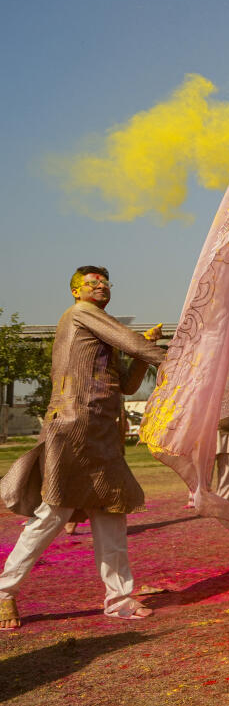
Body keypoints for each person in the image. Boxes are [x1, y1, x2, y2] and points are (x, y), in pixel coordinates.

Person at [0, 266, 166, 628]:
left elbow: (125, 384)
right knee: (53, 515)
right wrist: (175, 357)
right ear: (76, 292)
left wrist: (143, 354)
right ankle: (4, 591)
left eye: (105, 282)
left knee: (111, 513)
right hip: (74, 426)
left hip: (103, 432)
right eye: (92, 283)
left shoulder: (101, 327)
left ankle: (119, 597)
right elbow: (134, 343)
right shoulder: (82, 314)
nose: (101, 286)